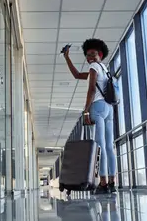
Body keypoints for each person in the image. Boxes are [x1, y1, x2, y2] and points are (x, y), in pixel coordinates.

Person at [64, 38, 116, 194]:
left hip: (98, 107)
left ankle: (103, 183)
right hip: (109, 109)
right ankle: (112, 183)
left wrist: (86, 110)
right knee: (108, 146)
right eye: (87, 55)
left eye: (93, 54)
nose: (89, 58)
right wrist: (67, 57)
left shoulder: (94, 67)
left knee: (100, 146)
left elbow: (92, 90)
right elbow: (77, 75)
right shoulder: (104, 69)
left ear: (100, 54)